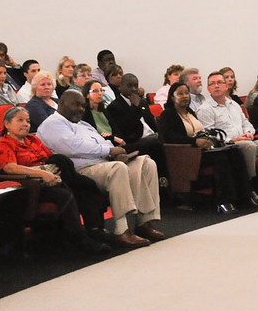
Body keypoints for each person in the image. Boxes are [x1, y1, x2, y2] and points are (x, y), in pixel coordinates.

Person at [37, 90, 164, 248]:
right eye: (76, 104)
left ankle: (144, 223)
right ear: (62, 103)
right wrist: (110, 152)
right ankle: (121, 230)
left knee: (146, 164)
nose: (81, 109)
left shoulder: (83, 124)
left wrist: (114, 154)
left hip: (104, 163)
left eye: (83, 105)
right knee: (118, 169)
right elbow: (73, 147)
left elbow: (106, 143)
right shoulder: (52, 123)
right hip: (82, 169)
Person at [0, 107, 109, 253]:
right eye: (20, 120)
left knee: (79, 184)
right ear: (7, 124)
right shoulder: (5, 143)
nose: (26, 124)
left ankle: (95, 231)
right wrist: (42, 174)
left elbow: (50, 158)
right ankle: (80, 239)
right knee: (66, 193)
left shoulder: (33, 139)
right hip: (32, 185)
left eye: (28, 121)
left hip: (51, 177)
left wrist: (54, 171)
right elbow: (10, 168)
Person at [159, 82, 254, 212]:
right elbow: (169, 137)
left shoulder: (190, 112)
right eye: (180, 94)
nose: (185, 96)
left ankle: (244, 197)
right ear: (172, 97)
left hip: (203, 150)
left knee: (234, 151)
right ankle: (223, 201)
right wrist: (194, 142)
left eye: (186, 93)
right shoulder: (168, 115)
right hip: (186, 154)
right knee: (221, 158)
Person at [196, 71, 258, 200]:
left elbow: (247, 124)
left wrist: (249, 133)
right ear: (208, 88)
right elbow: (208, 135)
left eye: (220, 82)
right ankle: (249, 187)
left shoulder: (234, 105)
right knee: (249, 146)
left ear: (226, 86)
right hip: (228, 146)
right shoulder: (205, 109)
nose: (216, 86)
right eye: (212, 84)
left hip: (245, 140)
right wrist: (233, 139)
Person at [81, 80, 123, 146]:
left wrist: (113, 137)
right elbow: (91, 136)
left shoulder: (105, 110)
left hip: (114, 142)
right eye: (96, 91)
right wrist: (112, 138)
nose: (100, 93)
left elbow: (117, 131)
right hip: (99, 145)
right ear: (87, 95)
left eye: (101, 90)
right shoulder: (84, 113)